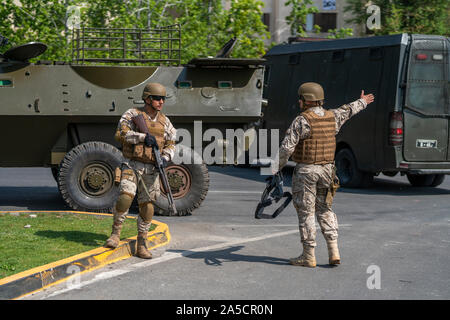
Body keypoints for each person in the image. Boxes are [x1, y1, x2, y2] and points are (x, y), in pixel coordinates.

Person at [275, 82, 375, 267]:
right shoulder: (333, 116)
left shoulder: (302, 120)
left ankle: (308, 255)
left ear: (306, 100)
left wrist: (275, 168)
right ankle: (333, 251)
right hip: (328, 170)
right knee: (324, 209)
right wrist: (362, 101)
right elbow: (349, 110)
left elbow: (286, 148)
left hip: (306, 172)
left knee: (306, 212)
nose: (299, 102)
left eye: (300, 99)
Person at [105, 82, 176, 259]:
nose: (161, 102)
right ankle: (115, 234)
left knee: (148, 206)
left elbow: (171, 144)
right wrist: (142, 137)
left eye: (163, 99)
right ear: (147, 99)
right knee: (125, 198)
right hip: (131, 164)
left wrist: (166, 158)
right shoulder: (132, 114)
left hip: (152, 168)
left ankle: (141, 243)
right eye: (157, 98)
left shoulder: (165, 122)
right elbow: (120, 134)